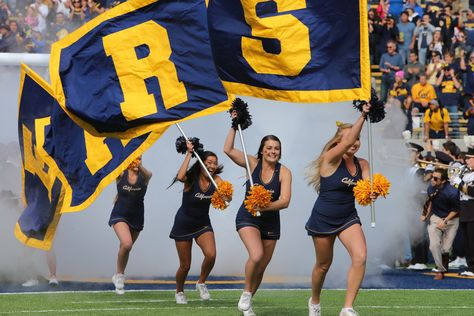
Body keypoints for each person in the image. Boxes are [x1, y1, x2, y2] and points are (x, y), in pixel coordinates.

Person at [306, 103, 372, 316]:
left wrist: (372, 192)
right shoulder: (330, 158)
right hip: (323, 218)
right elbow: (347, 142)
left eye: (357, 139)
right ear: (338, 142)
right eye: (350, 138)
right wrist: (363, 115)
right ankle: (314, 300)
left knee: (360, 256)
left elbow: (366, 188)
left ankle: (347, 307)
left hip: (348, 217)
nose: (354, 142)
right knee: (323, 265)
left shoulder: (363, 163)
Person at [224, 120, 292, 316]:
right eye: (269, 148)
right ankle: (246, 292)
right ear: (261, 151)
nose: (273, 151)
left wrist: (264, 205)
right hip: (248, 217)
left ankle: (248, 305)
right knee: (256, 255)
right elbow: (227, 149)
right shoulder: (252, 163)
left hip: (270, 221)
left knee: (261, 267)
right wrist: (234, 125)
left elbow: (285, 201)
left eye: (276, 148)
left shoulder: (284, 172)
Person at [169, 142, 227, 304]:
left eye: (215, 163)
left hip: (202, 224)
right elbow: (180, 177)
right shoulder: (191, 178)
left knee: (211, 255)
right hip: (183, 224)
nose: (212, 166)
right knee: (185, 266)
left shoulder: (217, 180)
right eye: (209, 162)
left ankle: (201, 282)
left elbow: (227, 196)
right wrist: (189, 153)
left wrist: (225, 197)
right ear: (201, 162)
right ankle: (179, 291)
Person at [109, 156, 152, 295]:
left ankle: (118, 274)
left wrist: (138, 166)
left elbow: (149, 174)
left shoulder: (144, 176)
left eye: (139, 159)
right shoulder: (121, 174)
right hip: (120, 214)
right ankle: (120, 275)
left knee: (127, 247)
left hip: (137, 216)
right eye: (134, 158)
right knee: (126, 244)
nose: (137, 161)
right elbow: (111, 166)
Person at [421, 168, 460, 280]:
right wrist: (424, 214)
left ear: (443, 181)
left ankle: (444, 264)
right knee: (433, 245)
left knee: (445, 249)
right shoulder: (430, 188)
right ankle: (440, 269)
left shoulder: (452, 192)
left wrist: (445, 220)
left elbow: (456, 210)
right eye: (432, 177)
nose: (432, 180)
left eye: (435, 178)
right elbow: (429, 202)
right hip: (436, 217)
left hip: (451, 220)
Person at [452, 147, 474, 277]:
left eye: (469, 158)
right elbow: (454, 183)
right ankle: (470, 265)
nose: (466, 161)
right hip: (465, 210)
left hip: (472, 209)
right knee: (467, 242)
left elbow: (472, 191)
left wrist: (459, 184)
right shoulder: (465, 172)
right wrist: (454, 176)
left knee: (472, 242)